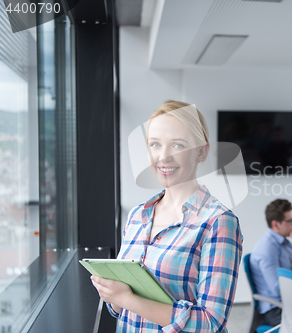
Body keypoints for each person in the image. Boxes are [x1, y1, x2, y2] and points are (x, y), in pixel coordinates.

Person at [90, 100, 243, 332]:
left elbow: (210, 323)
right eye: (155, 144)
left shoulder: (218, 222)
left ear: (201, 151)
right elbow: (120, 310)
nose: (164, 157)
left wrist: (129, 300)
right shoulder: (137, 216)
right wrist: (112, 294)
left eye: (178, 145)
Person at [250, 199, 292, 327]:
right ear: (276, 225)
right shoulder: (267, 248)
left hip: (290, 302)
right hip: (275, 309)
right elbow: (277, 289)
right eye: (290, 221)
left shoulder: (285, 243)